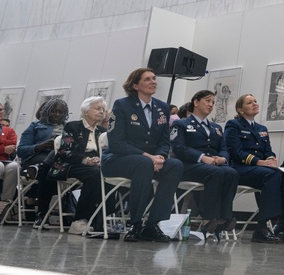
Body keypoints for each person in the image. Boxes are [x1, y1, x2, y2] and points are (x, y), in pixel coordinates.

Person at [102, 68, 184, 242]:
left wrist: (161, 156)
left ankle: (152, 224)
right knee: (143, 163)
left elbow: (164, 141)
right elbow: (117, 142)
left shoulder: (162, 107)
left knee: (175, 165)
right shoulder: (122, 105)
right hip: (117, 159)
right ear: (135, 85)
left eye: (154, 78)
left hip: (148, 161)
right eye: (147, 79)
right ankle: (135, 223)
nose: (153, 81)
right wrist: (148, 156)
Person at [224, 93, 284, 243]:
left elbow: (268, 151)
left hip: (261, 169)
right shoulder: (234, 125)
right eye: (249, 102)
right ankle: (261, 228)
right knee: (272, 175)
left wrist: (271, 159)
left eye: (255, 101)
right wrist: (259, 162)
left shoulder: (262, 128)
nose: (255, 104)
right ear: (240, 109)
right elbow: (236, 152)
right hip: (240, 168)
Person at [170, 90, 237, 241]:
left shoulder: (216, 127)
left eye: (213, 102)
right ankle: (208, 218)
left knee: (231, 172)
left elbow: (224, 148)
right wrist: (202, 157)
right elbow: (179, 148)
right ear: (196, 102)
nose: (211, 105)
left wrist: (222, 158)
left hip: (212, 165)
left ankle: (224, 218)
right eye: (207, 101)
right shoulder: (181, 124)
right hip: (189, 165)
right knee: (216, 173)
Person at [45, 96, 109, 236]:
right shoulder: (72, 126)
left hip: (96, 165)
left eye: (103, 109)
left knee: (110, 175)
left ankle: (101, 220)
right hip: (71, 164)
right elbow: (64, 151)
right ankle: (79, 220)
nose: (101, 112)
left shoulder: (103, 132)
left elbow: (108, 152)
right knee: (95, 174)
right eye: (97, 108)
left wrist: (101, 160)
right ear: (86, 111)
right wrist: (86, 160)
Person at [18, 98, 69, 220]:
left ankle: (32, 198)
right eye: (54, 111)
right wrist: (40, 146)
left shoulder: (69, 128)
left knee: (52, 167)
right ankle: (43, 211)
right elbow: (21, 150)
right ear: (47, 111)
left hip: (60, 159)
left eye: (61, 112)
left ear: (65, 114)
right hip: (37, 156)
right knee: (52, 168)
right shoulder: (35, 126)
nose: (57, 114)